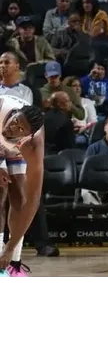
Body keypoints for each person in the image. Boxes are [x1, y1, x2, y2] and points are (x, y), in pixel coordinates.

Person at [0, 95, 45, 275]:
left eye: (20, 129)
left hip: (14, 148)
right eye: (15, 121)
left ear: (28, 135)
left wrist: (10, 247)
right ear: (15, 113)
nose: (13, 128)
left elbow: (33, 199)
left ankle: (13, 260)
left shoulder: (33, 144)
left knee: (20, 196)